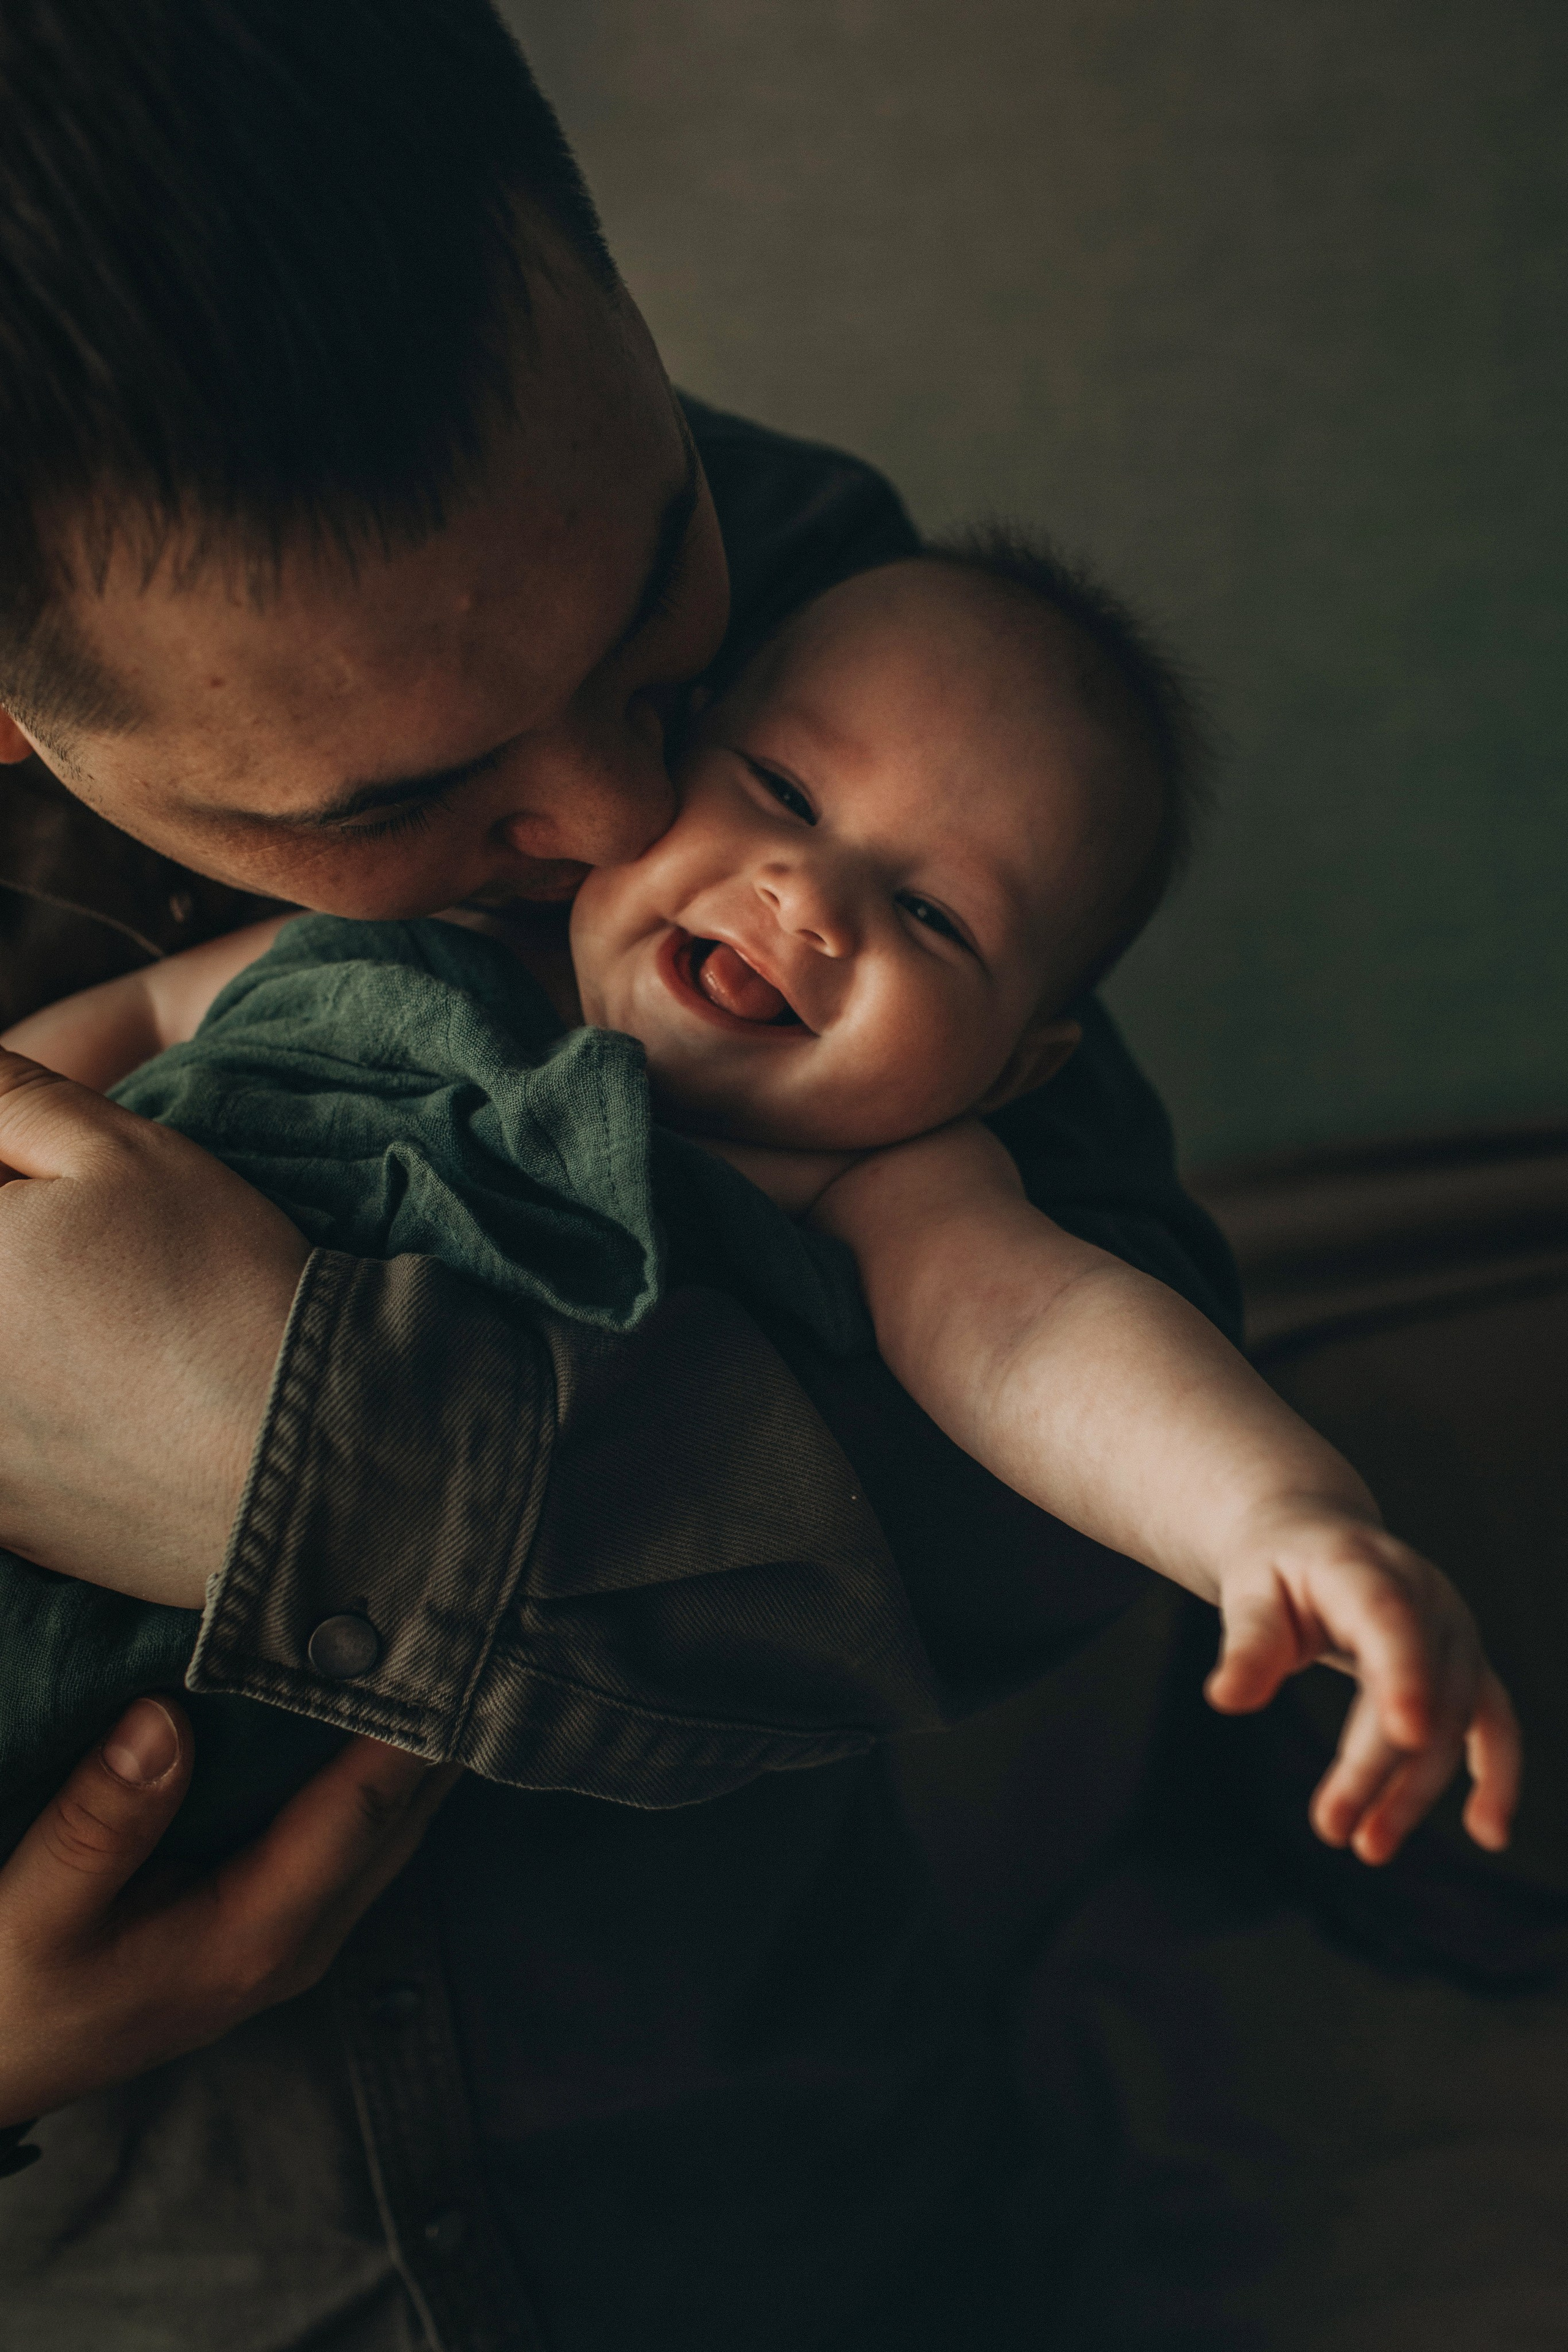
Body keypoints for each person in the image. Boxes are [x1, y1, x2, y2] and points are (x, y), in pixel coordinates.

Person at [0, 5, 1235, 2344]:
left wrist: (278, 1454)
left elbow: (1038, 1494)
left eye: (655, 626)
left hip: (776, 2197)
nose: (626, 820)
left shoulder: (826, 621)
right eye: (393, 799)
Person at [6, 543, 1517, 1884]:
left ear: (1013, 1066)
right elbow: (136, 1021)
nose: (806, 892)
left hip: (163, 1732)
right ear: (662, 753)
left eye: (932, 916)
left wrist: (1273, 1517)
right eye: (782, 792)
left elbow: (1044, 1333)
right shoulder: (409, 922)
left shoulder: (876, 1179)